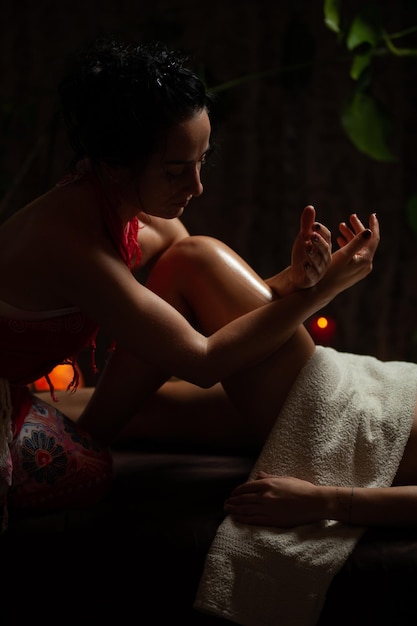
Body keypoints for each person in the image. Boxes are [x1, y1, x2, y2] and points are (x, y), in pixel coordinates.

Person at [0, 35, 393, 534]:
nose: (197, 187)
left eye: (202, 161)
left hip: (24, 386)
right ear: (117, 164)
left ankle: (76, 422)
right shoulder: (70, 245)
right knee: (87, 473)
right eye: (175, 171)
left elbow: (198, 315)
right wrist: (322, 290)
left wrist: (293, 281)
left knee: (229, 414)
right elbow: (202, 361)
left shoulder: (148, 225)